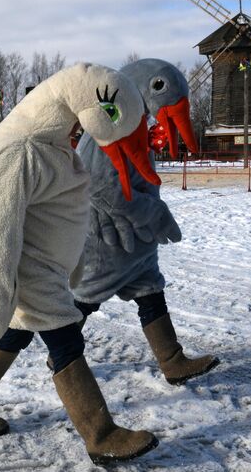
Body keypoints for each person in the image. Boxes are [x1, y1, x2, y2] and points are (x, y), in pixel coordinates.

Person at [0, 63, 160, 465]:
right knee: (65, 341)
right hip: (25, 268)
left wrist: (71, 264)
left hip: (43, 266)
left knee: (14, 334)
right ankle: (100, 435)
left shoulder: (49, 142)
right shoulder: (18, 149)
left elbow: (57, 211)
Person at [72, 58, 219, 385]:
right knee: (84, 298)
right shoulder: (108, 126)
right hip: (108, 239)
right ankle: (62, 358)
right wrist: (154, 214)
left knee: (151, 292)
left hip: (136, 240)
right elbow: (101, 186)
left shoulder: (132, 122)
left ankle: (173, 361)